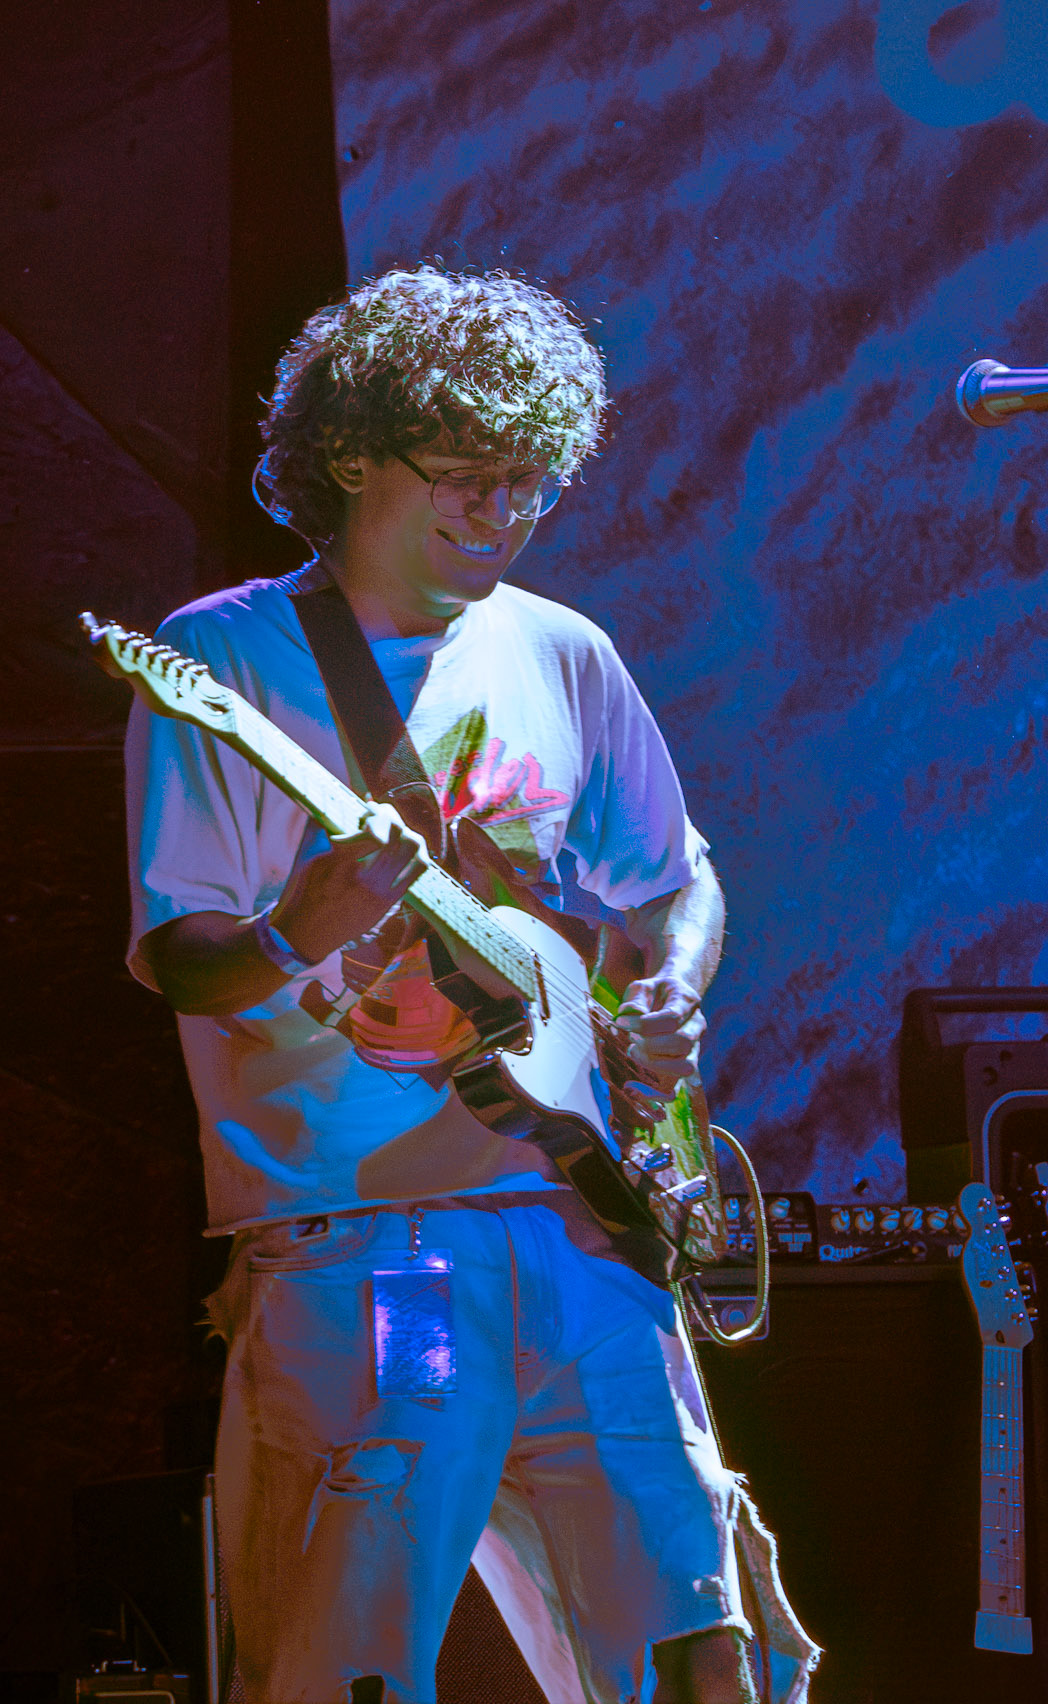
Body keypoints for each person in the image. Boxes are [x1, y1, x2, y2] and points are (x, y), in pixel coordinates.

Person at [123, 267, 813, 1704]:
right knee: (351, 1665)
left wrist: (672, 993)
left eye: (529, 482)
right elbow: (183, 956)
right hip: (362, 1246)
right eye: (465, 476)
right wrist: (296, 931)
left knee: (702, 1647)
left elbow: (673, 881)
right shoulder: (222, 658)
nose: (502, 512)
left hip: (585, 1227)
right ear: (350, 457)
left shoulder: (562, 649)